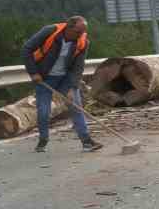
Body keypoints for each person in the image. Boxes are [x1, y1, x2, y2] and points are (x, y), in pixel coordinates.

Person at [22, 15, 101, 153]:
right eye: (78, 32)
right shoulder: (50, 31)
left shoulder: (82, 42)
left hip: (65, 78)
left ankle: (87, 141)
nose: (80, 35)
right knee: (44, 111)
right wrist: (33, 72)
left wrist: (73, 86)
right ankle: (43, 140)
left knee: (76, 107)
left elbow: (78, 67)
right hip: (44, 77)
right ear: (68, 27)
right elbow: (27, 49)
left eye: (83, 32)